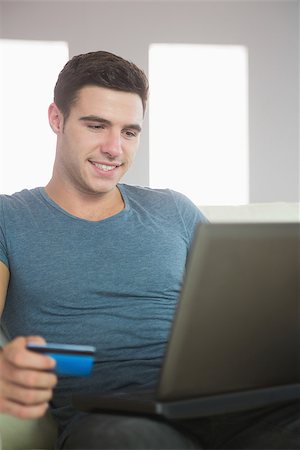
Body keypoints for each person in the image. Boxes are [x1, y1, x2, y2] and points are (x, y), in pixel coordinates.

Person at [0, 50, 299, 450]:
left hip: (227, 405)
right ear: (57, 119)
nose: (114, 148)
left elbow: (246, 319)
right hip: (117, 417)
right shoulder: (9, 217)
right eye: (96, 125)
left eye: (129, 132)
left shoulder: (173, 208)